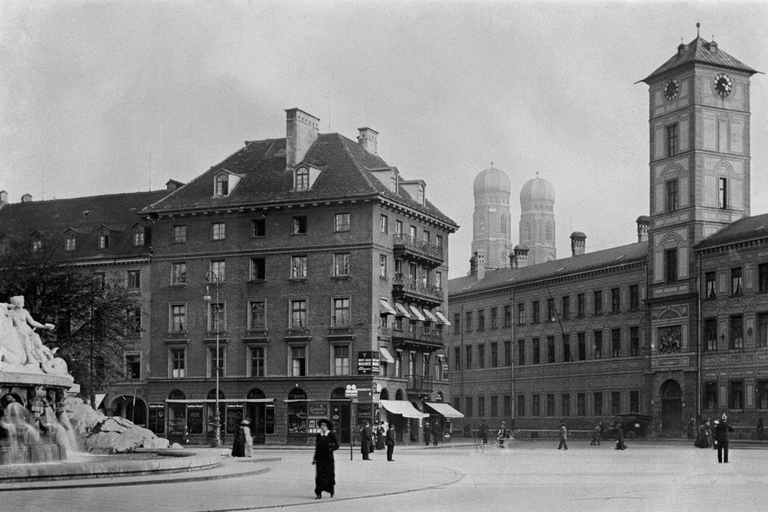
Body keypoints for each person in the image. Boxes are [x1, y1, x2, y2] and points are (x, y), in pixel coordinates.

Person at [313, 418, 339, 499]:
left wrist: (331, 448)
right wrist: (315, 458)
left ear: (327, 427)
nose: (322, 427)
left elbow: (337, 445)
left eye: (324, 425)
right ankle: (318, 493)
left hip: (328, 459)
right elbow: (317, 448)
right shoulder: (318, 436)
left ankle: (330, 490)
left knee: (329, 475)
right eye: (321, 425)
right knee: (319, 477)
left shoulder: (331, 435)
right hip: (320, 459)